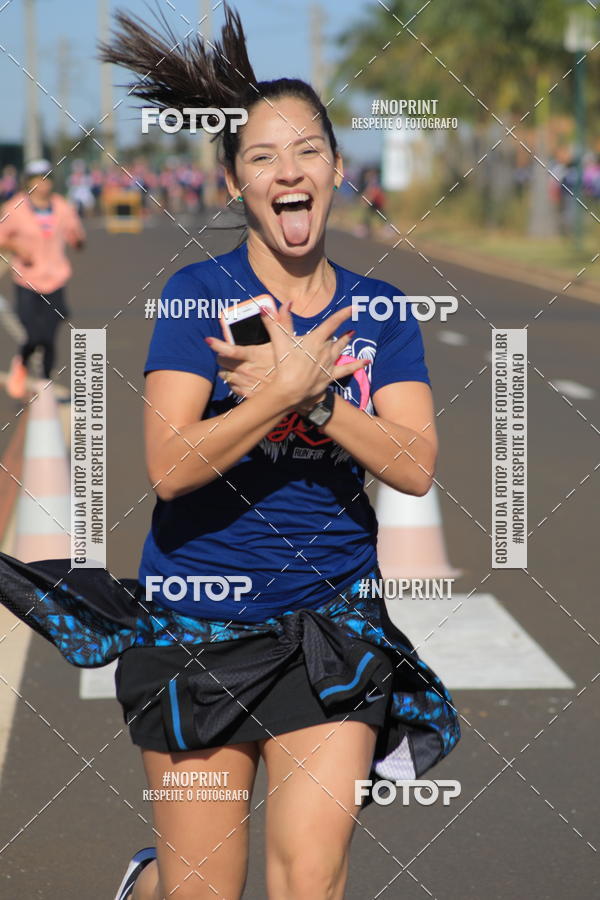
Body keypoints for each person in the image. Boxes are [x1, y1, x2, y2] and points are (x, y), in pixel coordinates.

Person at [0, 6, 460, 899]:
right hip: (198, 631)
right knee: (204, 890)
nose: (287, 172)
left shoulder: (381, 309)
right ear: (234, 181)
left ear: (334, 169)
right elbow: (169, 466)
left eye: (306, 153)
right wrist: (278, 393)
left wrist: (314, 397)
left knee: (307, 881)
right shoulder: (196, 295)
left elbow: (413, 464)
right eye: (261, 157)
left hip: (334, 630)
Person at [0, 158, 85, 398]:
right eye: (37, 179)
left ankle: (45, 381)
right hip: (26, 280)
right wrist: (17, 247)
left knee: (48, 336)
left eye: (46, 179)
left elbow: (76, 236)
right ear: (28, 182)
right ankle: (23, 362)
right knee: (33, 334)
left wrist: (78, 239)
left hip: (56, 279)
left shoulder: (62, 206)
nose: (42, 184)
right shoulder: (14, 207)